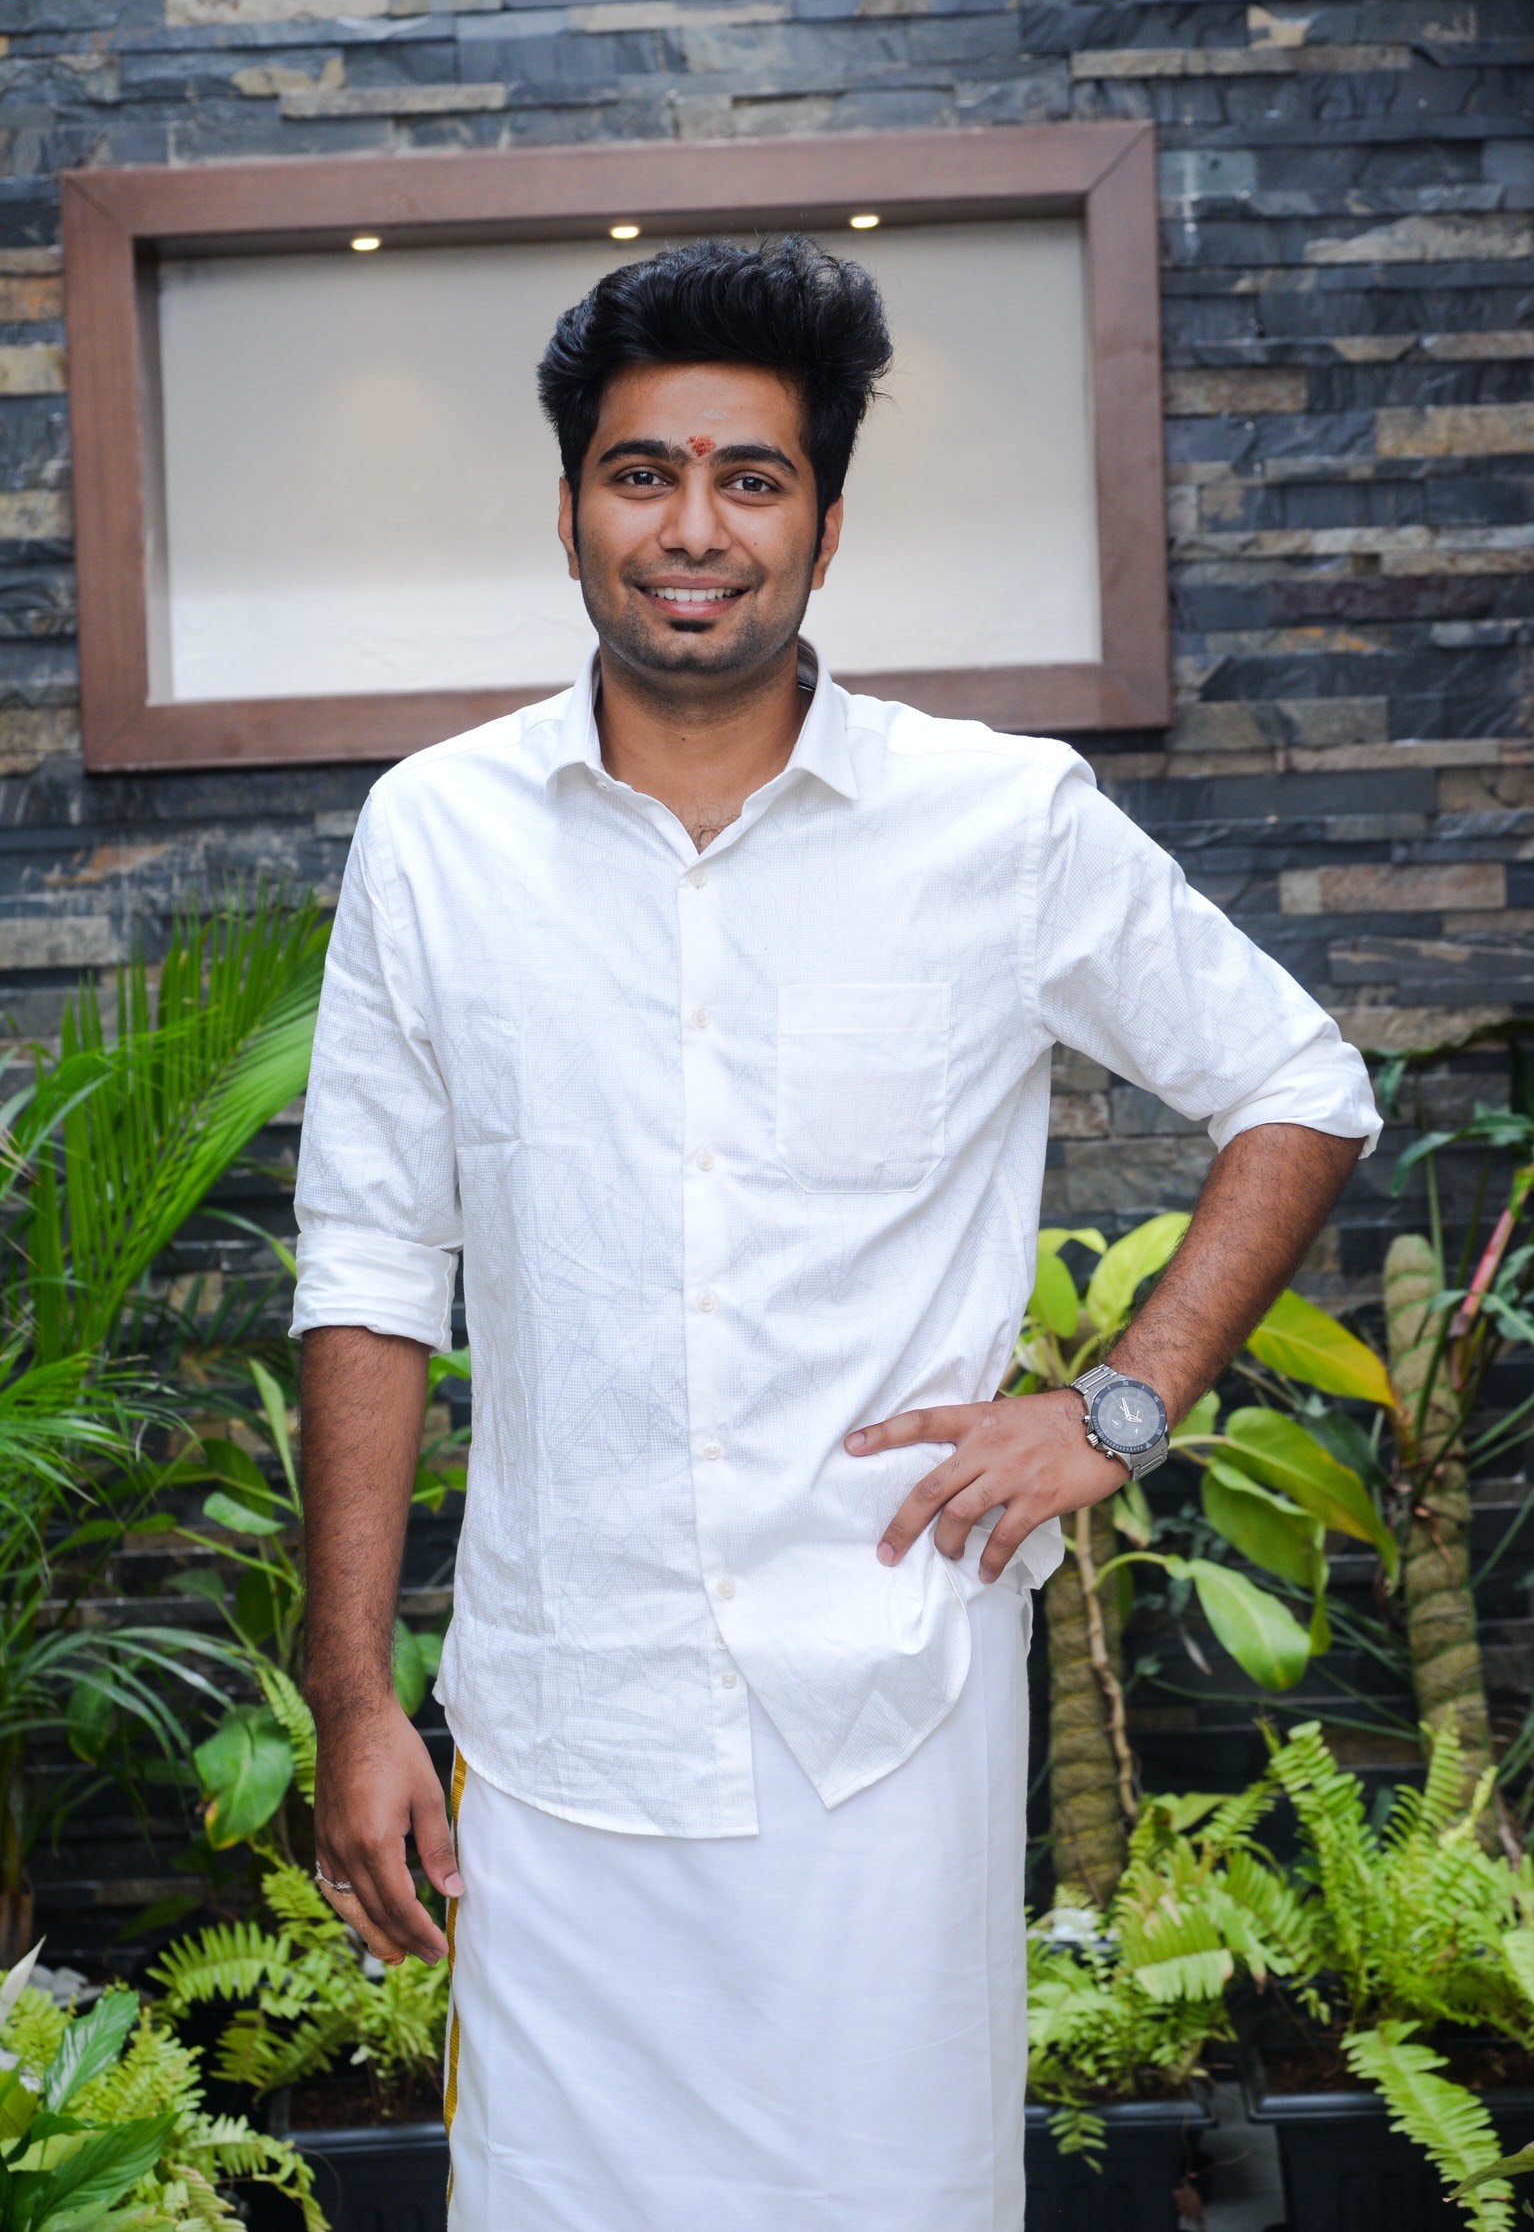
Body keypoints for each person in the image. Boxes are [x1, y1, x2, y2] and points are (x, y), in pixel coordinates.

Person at [293, 236, 1380, 2232]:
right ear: (567, 510)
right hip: (563, 1727)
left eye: (751, 477)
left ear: (824, 522)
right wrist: (352, 1698)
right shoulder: (433, 837)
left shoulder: (996, 821)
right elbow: (368, 1266)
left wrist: (1120, 1406)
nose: (691, 529)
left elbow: (1296, 1082)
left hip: (884, 1720)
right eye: (640, 475)